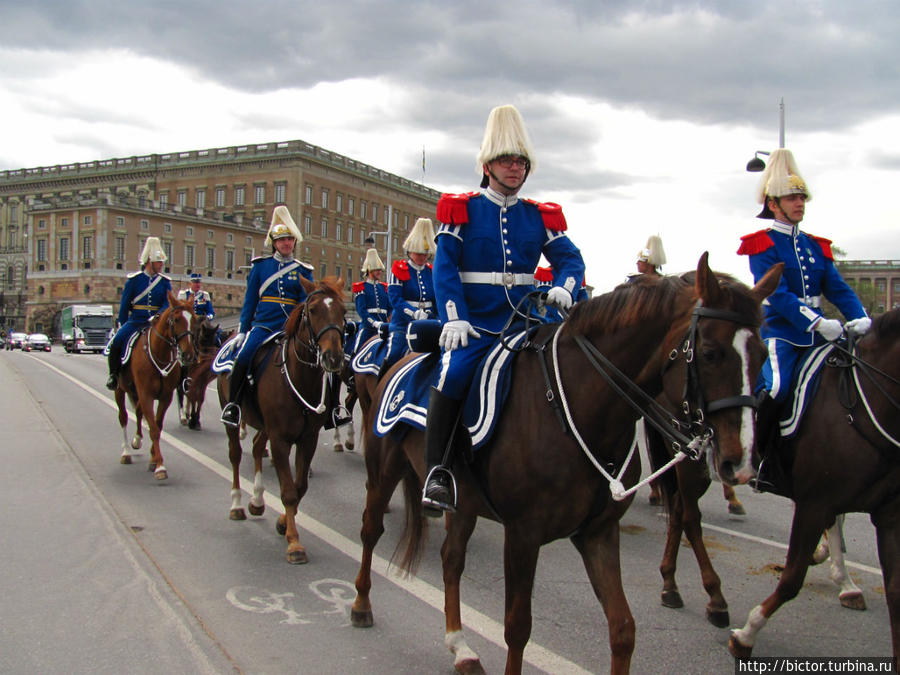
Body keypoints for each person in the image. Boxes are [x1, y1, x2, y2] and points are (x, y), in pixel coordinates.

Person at [421, 104, 586, 516]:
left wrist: (566, 286)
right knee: (454, 371)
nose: (515, 168)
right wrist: (454, 317)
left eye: (521, 161)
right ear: (487, 165)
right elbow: (445, 270)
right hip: (476, 324)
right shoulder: (462, 209)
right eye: (505, 160)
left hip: (526, 323)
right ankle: (437, 471)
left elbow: (571, 260)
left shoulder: (539, 216)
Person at [737, 148, 870, 496]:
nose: (800, 203)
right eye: (792, 198)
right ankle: (759, 458)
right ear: (774, 204)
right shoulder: (762, 244)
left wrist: (860, 318)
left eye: (802, 198)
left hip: (821, 334)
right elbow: (777, 294)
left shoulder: (815, 246)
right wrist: (815, 322)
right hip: (782, 334)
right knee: (779, 388)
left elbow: (837, 288)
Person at [220, 206, 314, 427]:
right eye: (282, 240)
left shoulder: (303, 270)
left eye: (290, 240)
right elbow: (250, 301)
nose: (286, 244)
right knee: (243, 359)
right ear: (274, 242)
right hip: (263, 326)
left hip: (290, 327)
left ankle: (329, 409)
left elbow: (305, 303)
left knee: (319, 362)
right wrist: (243, 330)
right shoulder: (261, 267)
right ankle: (233, 405)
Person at [106, 237, 173, 390]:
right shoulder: (134, 280)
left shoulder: (164, 282)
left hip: (156, 323)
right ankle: (114, 375)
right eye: (159, 263)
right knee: (117, 342)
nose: (162, 266)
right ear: (150, 262)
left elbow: (167, 303)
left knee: (177, 344)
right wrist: (122, 325)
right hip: (136, 321)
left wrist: (159, 315)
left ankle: (180, 379)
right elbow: (124, 305)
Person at [381, 217, 438, 376]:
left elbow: (436, 299)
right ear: (410, 251)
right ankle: (381, 389)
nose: (422, 257)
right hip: (403, 324)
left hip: (428, 322)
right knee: (394, 354)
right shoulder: (399, 270)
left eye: (425, 254)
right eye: (419, 254)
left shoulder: (431, 272)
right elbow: (395, 300)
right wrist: (413, 313)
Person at [351, 248, 391, 354]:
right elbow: (362, 311)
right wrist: (374, 323)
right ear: (369, 270)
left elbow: (390, 309)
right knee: (356, 351)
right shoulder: (361, 287)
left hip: (384, 328)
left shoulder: (384, 288)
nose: (380, 272)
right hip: (368, 329)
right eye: (377, 269)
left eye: (380, 270)